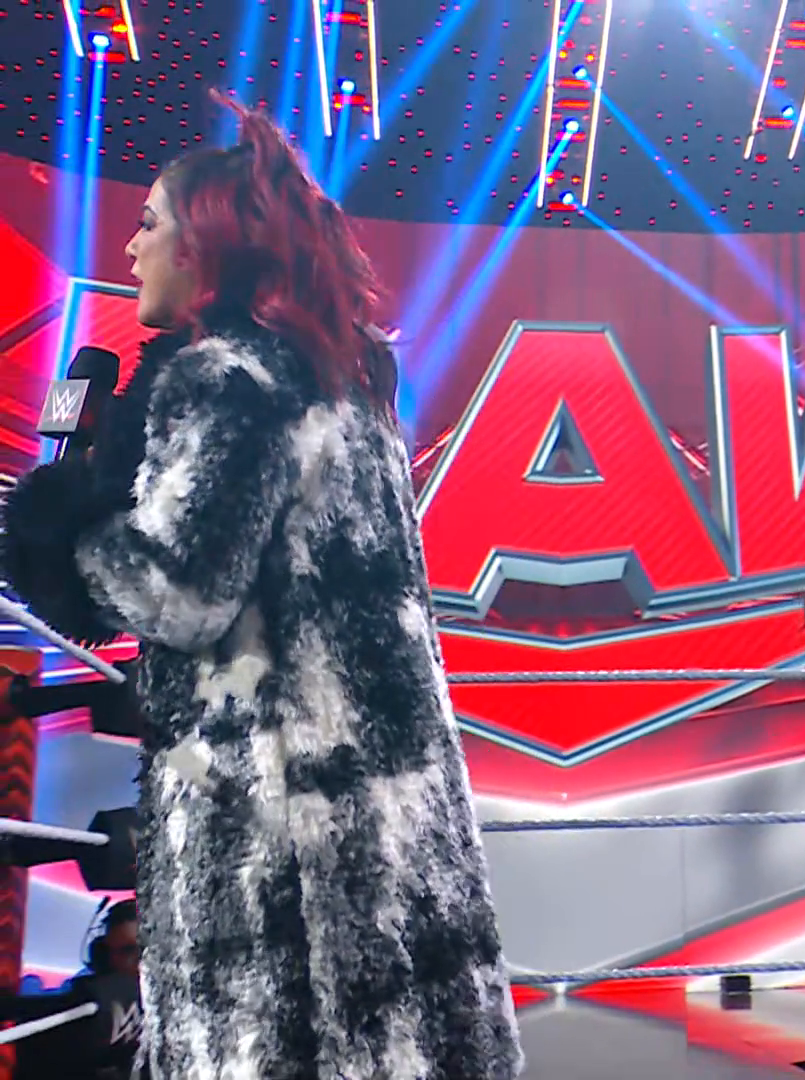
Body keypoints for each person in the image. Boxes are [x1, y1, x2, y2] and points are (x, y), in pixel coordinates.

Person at [0, 97, 520, 1077]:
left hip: (273, 833)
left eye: (150, 223)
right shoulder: (345, 385)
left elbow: (176, 592)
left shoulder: (226, 378)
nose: (130, 247)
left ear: (203, 246)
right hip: (381, 813)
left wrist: (52, 530)